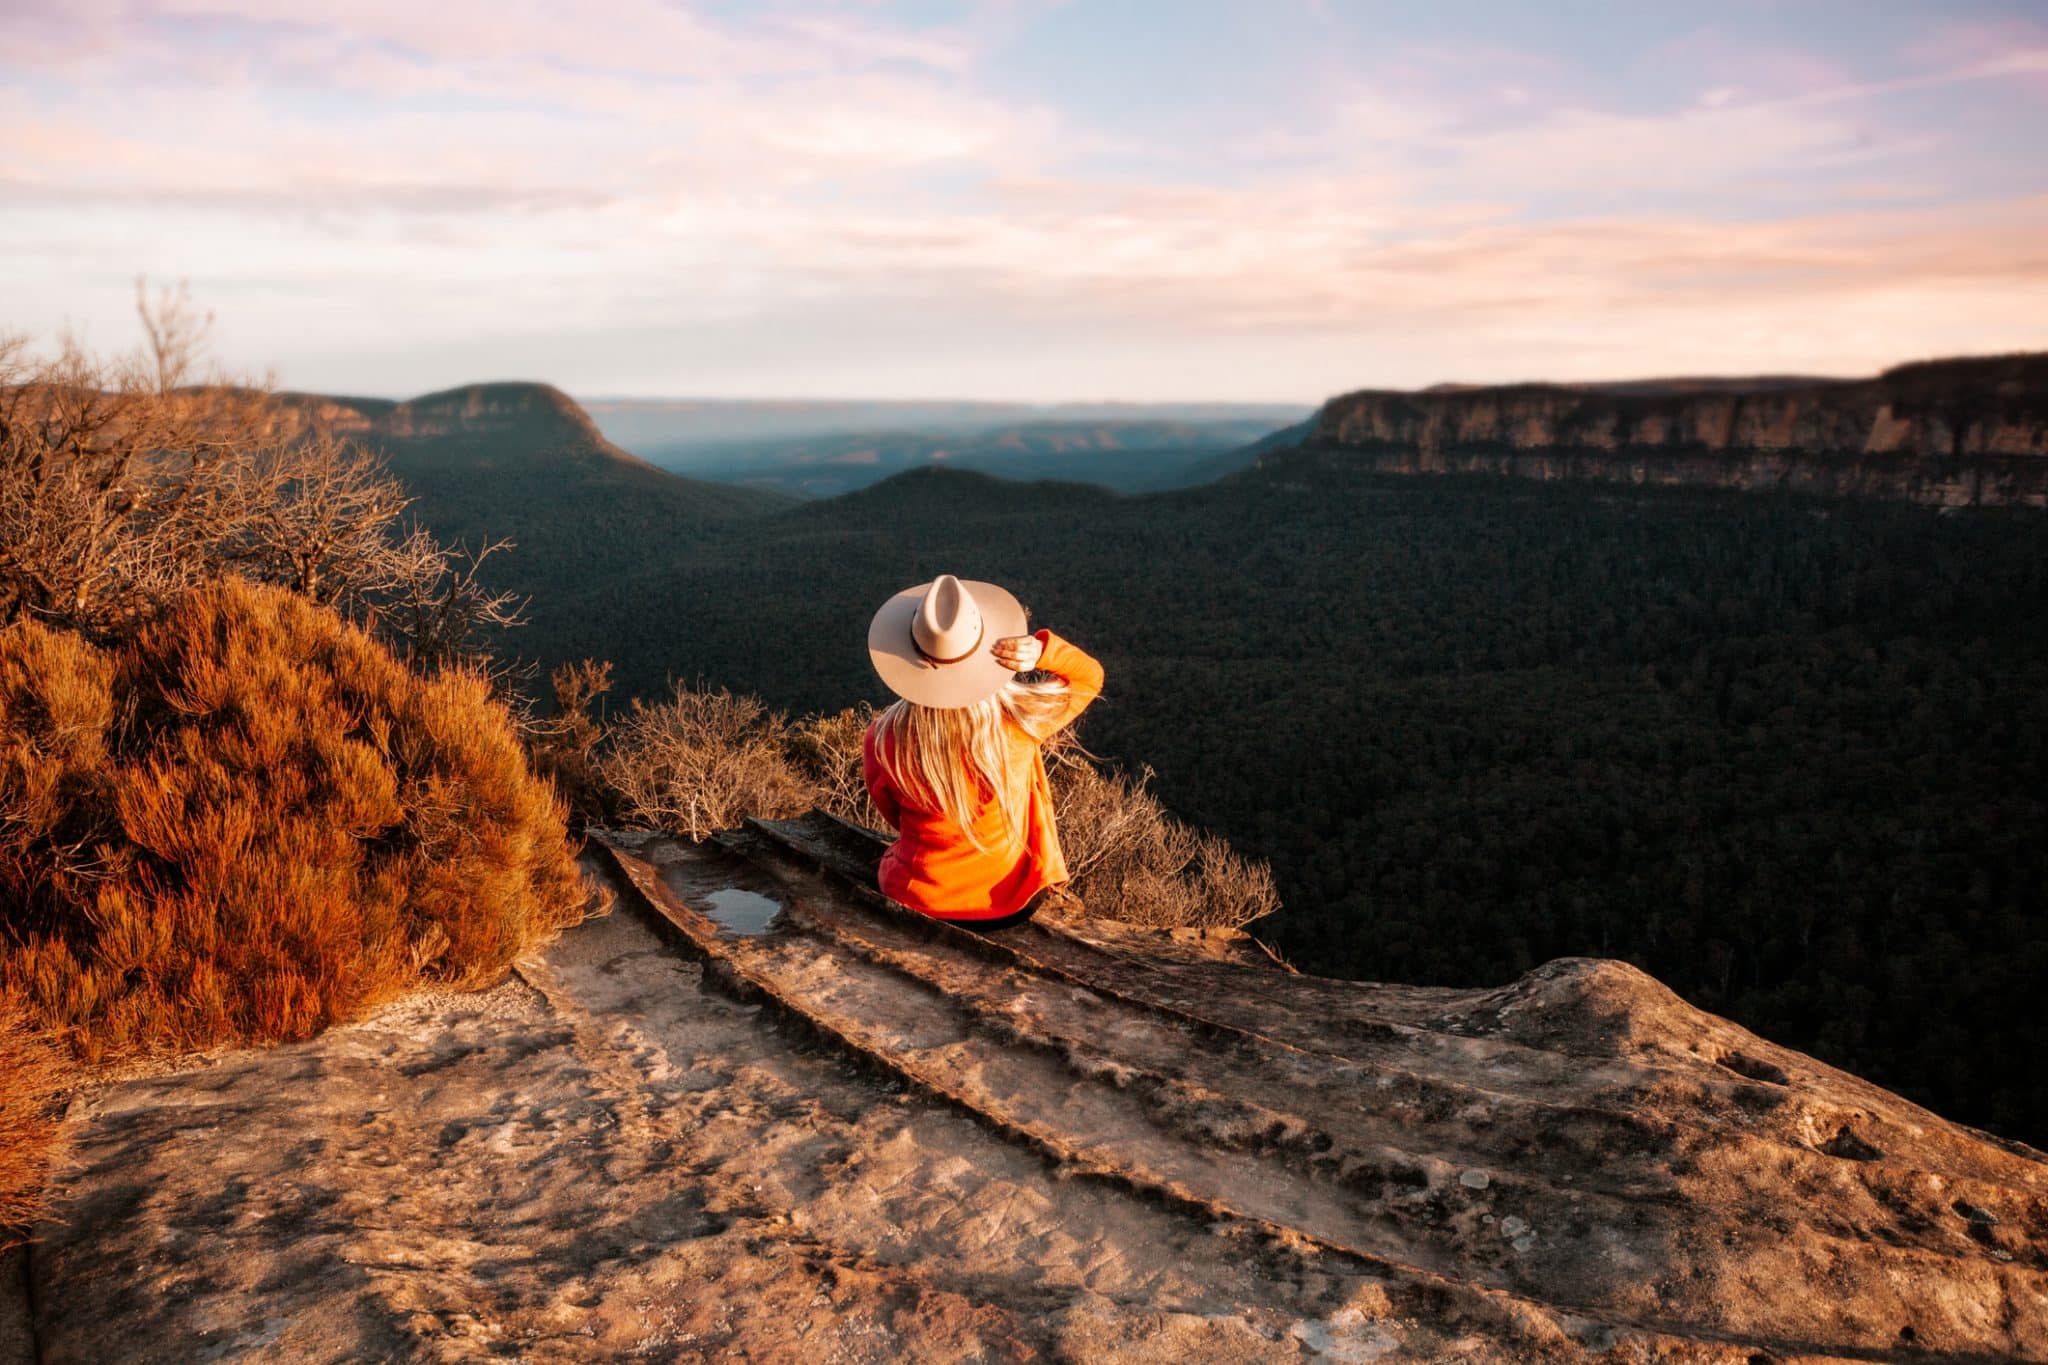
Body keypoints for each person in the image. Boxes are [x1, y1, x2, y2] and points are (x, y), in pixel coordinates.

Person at [861, 573, 1104, 930]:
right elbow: (1089, 678)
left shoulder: (882, 738)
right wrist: (1041, 651)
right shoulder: (1019, 726)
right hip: (1008, 902)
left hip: (916, 897)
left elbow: (893, 815)